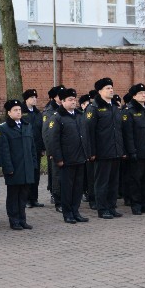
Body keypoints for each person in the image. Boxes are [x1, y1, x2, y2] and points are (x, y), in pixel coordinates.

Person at [50, 88, 91, 224]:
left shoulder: (79, 115)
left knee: (78, 188)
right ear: (62, 102)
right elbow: (54, 140)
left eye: (74, 99)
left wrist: (87, 153)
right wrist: (59, 159)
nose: (73, 102)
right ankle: (67, 213)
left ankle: (76, 211)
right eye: (70, 100)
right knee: (67, 188)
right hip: (67, 160)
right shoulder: (58, 117)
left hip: (80, 157)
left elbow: (85, 136)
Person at [85, 78, 125, 219]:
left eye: (111, 87)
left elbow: (119, 130)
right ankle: (102, 209)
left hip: (115, 151)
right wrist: (92, 152)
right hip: (102, 152)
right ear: (100, 91)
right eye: (107, 88)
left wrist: (121, 149)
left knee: (114, 182)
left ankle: (111, 206)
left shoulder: (114, 107)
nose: (111, 90)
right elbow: (89, 132)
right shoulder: (93, 108)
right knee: (102, 182)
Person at [121, 83, 145, 215]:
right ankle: (136, 204)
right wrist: (131, 151)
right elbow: (128, 134)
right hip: (137, 152)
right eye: (140, 94)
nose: (144, 95)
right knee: (135, 180)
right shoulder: (129, 111)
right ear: (134, 96)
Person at [0, 99, 36, 230]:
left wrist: (33, 164)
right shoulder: (3, 128)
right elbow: (4, 151)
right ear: (9, 112)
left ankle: (22, 219)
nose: (18, 112)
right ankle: (14, 220)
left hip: (26, 167)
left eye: (19, 110)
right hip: (14, 168)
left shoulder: (26, 125)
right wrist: (8, 168)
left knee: (24, 195)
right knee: (14, 195)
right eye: (15, 110)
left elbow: (32, 147)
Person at [41, 85, 65, 211]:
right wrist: (50, 151)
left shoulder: (65, 108)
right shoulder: (49, 111)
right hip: (55, 148)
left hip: (67, 149)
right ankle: (57, 198)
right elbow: (46, 133)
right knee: (56, 175)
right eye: (59, 96)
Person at [21, 89, 45, 208]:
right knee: (27, 174)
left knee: (36, 174)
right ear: (26, 99)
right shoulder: (21, 112)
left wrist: (43, 147)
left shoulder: (37, 113)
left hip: (36, 148)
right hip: (25, 148)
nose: (34, 99)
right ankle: (25, 199)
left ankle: (34, 198)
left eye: (35, 97)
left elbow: (41, 131)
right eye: (32, 97)